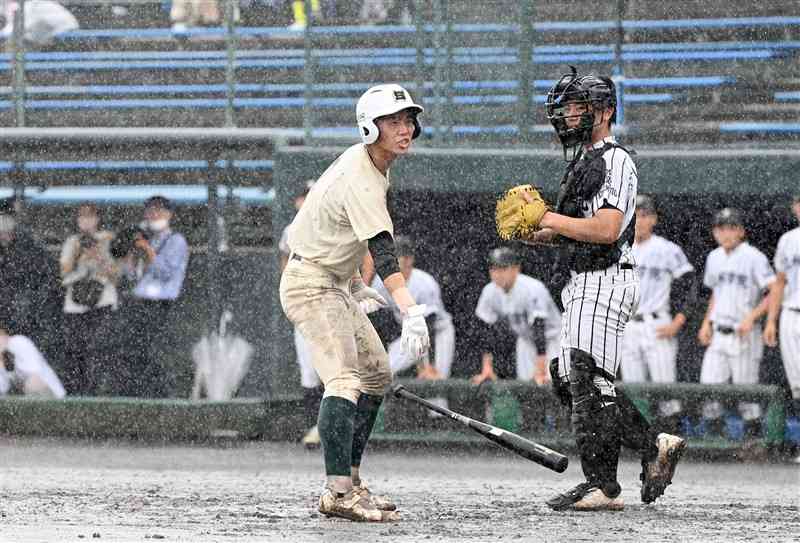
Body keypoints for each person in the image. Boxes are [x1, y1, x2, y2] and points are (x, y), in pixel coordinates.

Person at [521, 68, 686, 511]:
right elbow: (576, 231)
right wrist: (532, 232)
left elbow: (609, 228)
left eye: (579, 107)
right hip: (583, 281)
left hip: (606, 279)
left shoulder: (614, 159)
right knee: (568, 377)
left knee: (588, 375)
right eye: (567, 107)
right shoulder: (583, 162)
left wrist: (550, 219)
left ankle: (602, 485)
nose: (569, 115)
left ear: (606, 111)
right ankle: (653, 445)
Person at [279, 83, 430, 522]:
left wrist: (349, 280)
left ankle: (353, 480)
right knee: (344, 379)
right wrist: (411, 309)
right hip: (310, 283)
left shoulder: (377, 165)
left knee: (378, 376)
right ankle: (338, 491)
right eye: (393, 121)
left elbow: (341, 231)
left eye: (407, 120)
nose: (404, 129)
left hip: (333, 281)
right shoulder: (362, 172)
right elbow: (383, 250)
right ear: (370, 127)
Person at [619, 194, 696, 432]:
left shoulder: (667, 249)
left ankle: (672, 439)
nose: (639, 221)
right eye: (634, 216)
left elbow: (690, 285)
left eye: (644, 216)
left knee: (666, 390)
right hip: (628, 325)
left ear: (653, 219)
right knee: (633, 389)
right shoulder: (619, 247)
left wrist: (679, 321)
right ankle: (641, 441)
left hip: (657, 324)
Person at [698, 208, 777, 438]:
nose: (725, 233)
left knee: (747, 396)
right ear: (714, 232)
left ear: (741, 231)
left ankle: (752, 445)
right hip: (719, 331)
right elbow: (716, 293)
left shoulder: (754, 256)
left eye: (731, 228)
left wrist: (752, 317)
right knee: (709, 391)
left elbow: (774, 291)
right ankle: (714, 445)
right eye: (720, 228)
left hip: (744, 333)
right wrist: (706, 323)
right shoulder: (714, 257)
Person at [113, 196, 189, 397]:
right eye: (150, 211)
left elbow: (165, 272)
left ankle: (162, 397)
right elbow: (132, 276)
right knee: (133, 355)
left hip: (160, 306)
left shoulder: (176, 241)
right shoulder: (148, 239)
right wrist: (130, 255)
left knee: (156, 354)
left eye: (159, 210)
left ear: (169, 214)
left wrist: (146, 249)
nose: (153, 215)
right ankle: (137, 394)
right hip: (138, 304)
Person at [470, 247, 560, 386]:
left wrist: (541, 368)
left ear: (516, 269)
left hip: (554, 339)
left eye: (503, 268)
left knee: (552, 385)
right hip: (526, 340)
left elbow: (539, 327)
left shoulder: (532, 288)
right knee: (525, 388)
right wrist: (487, 367)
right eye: (493, 268)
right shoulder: (489, 291)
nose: (497, 274)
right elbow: (485, 330)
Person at [370, 235, 455, 381]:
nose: (391, 261)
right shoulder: (380, 282)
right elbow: (376, 319)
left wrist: (428, 365)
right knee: (384, 369)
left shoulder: (424, 284)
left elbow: (430, 325)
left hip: (438, 333)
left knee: (435, 382)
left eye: (397, 257)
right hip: (409, 332)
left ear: (409, 260)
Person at [279, 179, 323, 448]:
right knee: (308, 372)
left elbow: (362, 257)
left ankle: (334, 428)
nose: (307, 201)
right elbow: (284, 256)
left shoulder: (332, 225)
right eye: (304, 196)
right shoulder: (290, 230)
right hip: (303, 309)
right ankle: (314, 427)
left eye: (312, 195)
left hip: (329, 306)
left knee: (335, 372)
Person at [59, 203, 120, 395]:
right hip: (75, 303)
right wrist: (79, 253)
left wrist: (98, 255)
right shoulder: (72, 241)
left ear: (98, 218)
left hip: (102, 301)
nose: (85, 220)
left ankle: (94, 392)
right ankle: (75, 392)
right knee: (74, 349)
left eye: (90, 216)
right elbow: (64, 273)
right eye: (81, 216)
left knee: (97, 348)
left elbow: (116, 275)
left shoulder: (109, 239)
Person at [764, 193, 800, 463]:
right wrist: (771, 320)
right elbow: (780, 282)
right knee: (797, 384)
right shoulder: (788, 240)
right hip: (791, 313)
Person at [0, 328, 66, 398]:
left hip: (52, 391)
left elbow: (34, 372)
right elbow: (4, 388)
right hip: (33, 394)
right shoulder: (5, 355)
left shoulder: (17, 341)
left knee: (32, 383)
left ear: (4, 336)